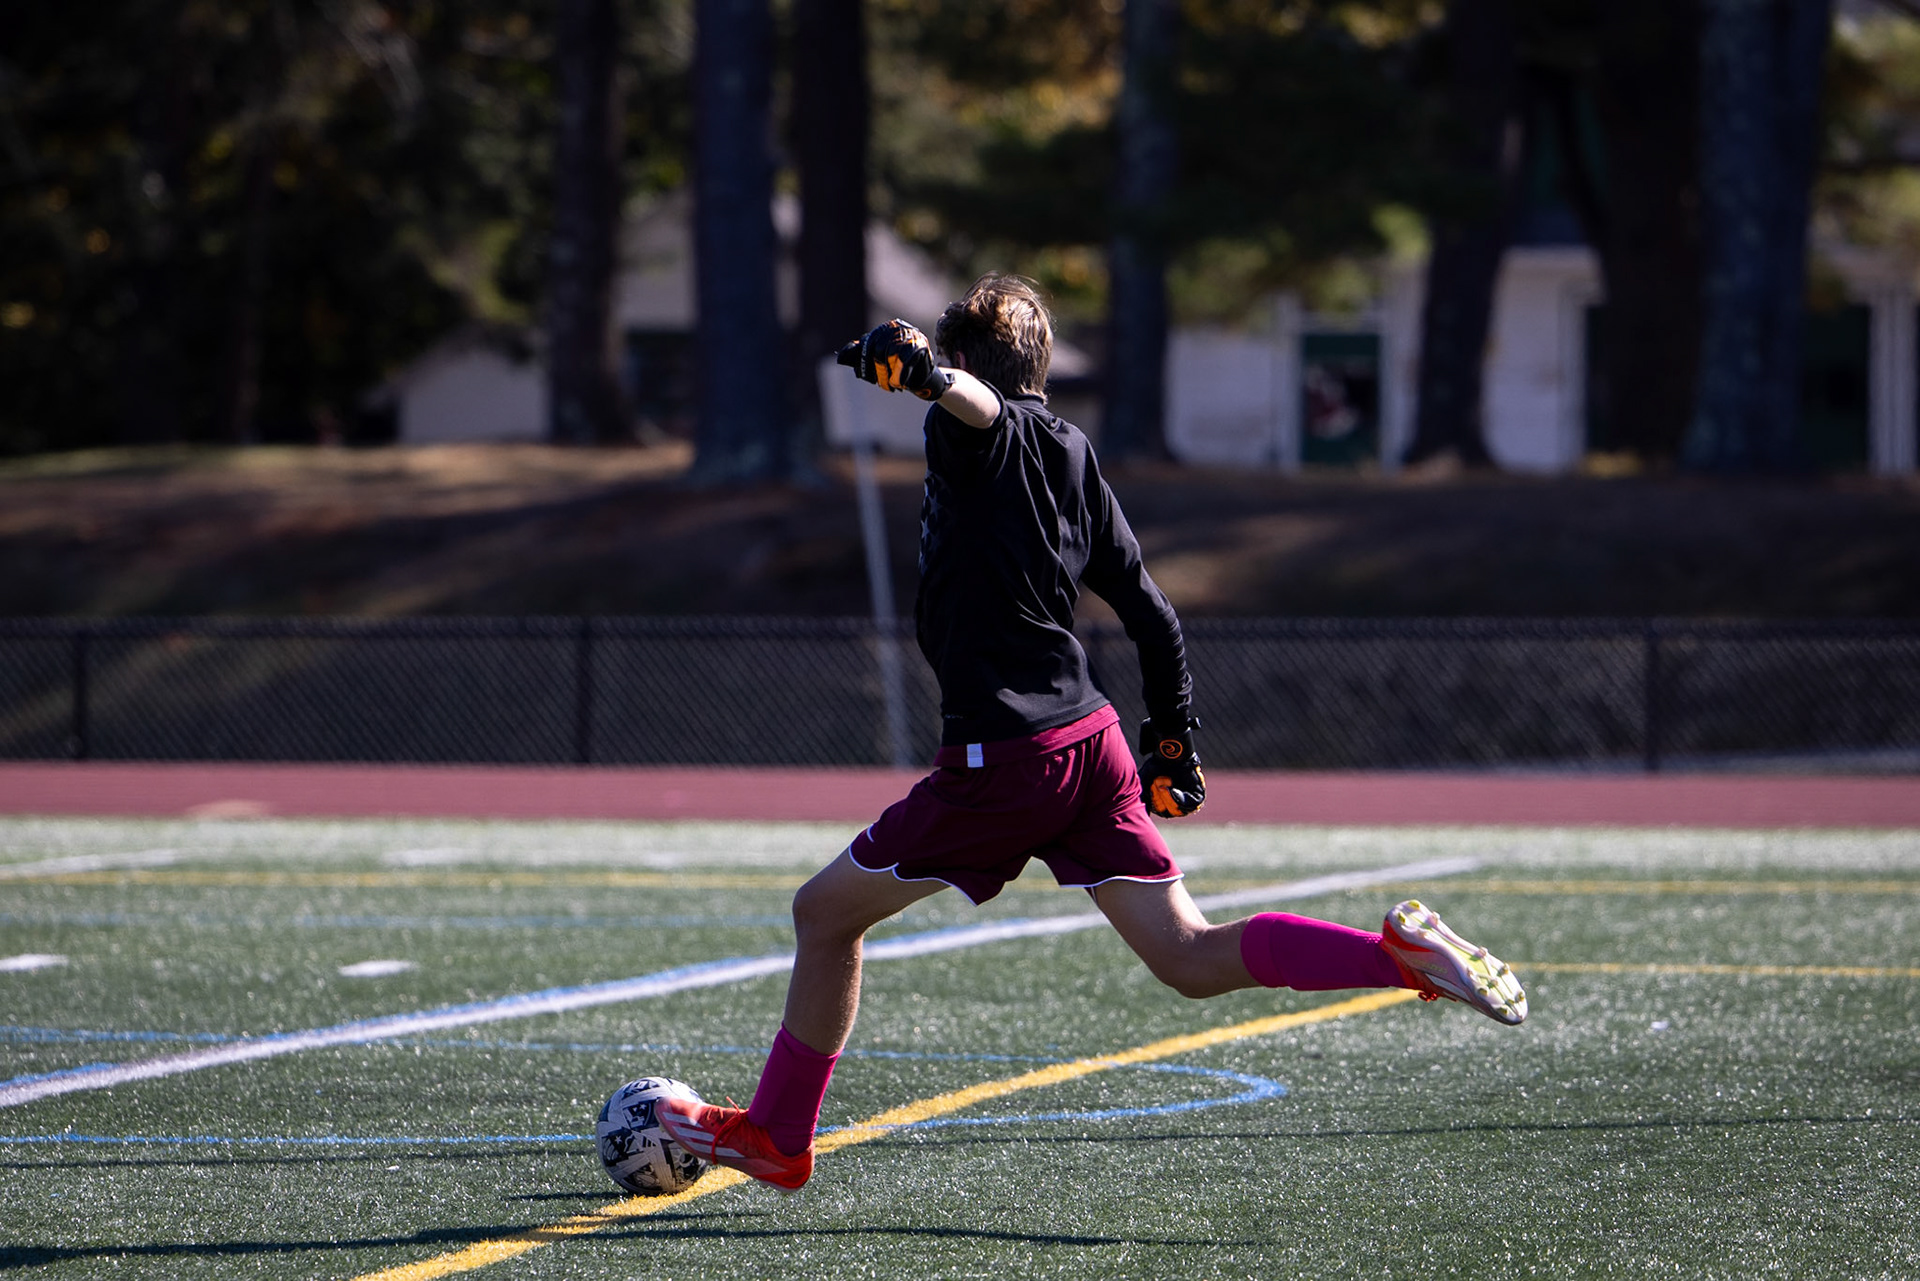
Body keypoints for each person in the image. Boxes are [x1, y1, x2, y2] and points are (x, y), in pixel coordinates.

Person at [658, 275, 1526, 1191]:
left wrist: (925, 378)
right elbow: (1152, 613)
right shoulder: (1074, 452)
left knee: (820, 917)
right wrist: (1173, 741)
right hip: (1092, 742)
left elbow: (983, 411)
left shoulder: (974, 427)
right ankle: (1398, 959)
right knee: (1189, 957)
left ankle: (780, 1136)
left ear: (965, 365)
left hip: (1008, 758)